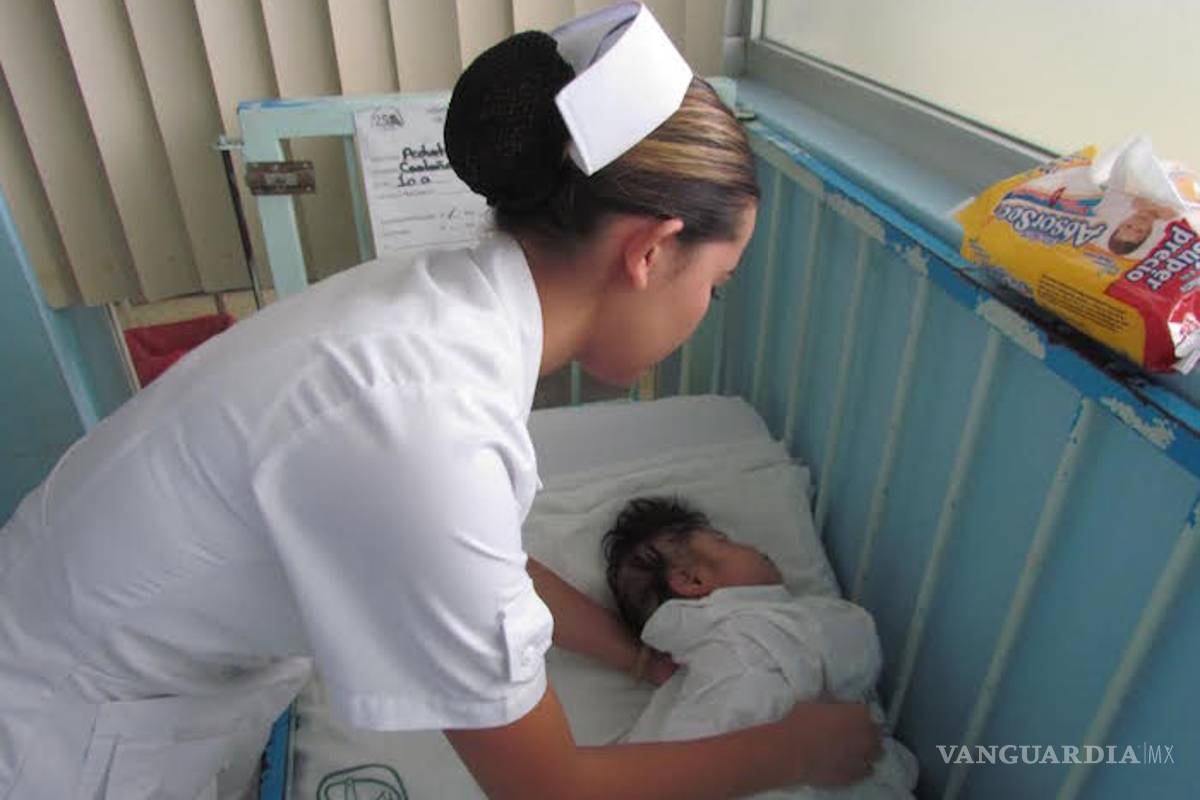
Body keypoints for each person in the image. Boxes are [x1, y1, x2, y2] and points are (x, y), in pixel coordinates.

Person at [0, 3, 880, 798]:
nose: (706, 309)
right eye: (717, 285)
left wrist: (626, 652)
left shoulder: (431, 311)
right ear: (651, 252)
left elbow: (467, 555)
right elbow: (548, 789)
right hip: (67, 736)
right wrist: (794, 752)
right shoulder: (423, 425)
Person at [603, 497, 918, 798]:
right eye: (724, 542)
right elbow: (694, 745)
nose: (752, 548)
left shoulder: (755, 633)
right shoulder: (738, 650)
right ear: (692, 580)